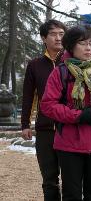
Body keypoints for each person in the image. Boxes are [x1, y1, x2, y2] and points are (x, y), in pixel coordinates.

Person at [40, 25, 91, 200]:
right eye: (83, 43)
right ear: (71, 46)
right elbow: (48, 105)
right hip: (68, 141)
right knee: (71, 194)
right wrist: (77, 116)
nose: (88, 48)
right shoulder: (60, 72)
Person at [21, 19, 66, 200]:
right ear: (43, 38)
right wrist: (25, 124)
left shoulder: (72, 62)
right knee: (49, 179)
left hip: (69, 127)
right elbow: (28, 96)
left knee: (72, 178)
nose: (58, 38)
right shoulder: (35, 65)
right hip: (45, 129)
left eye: (61, 34)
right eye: (53, 34)